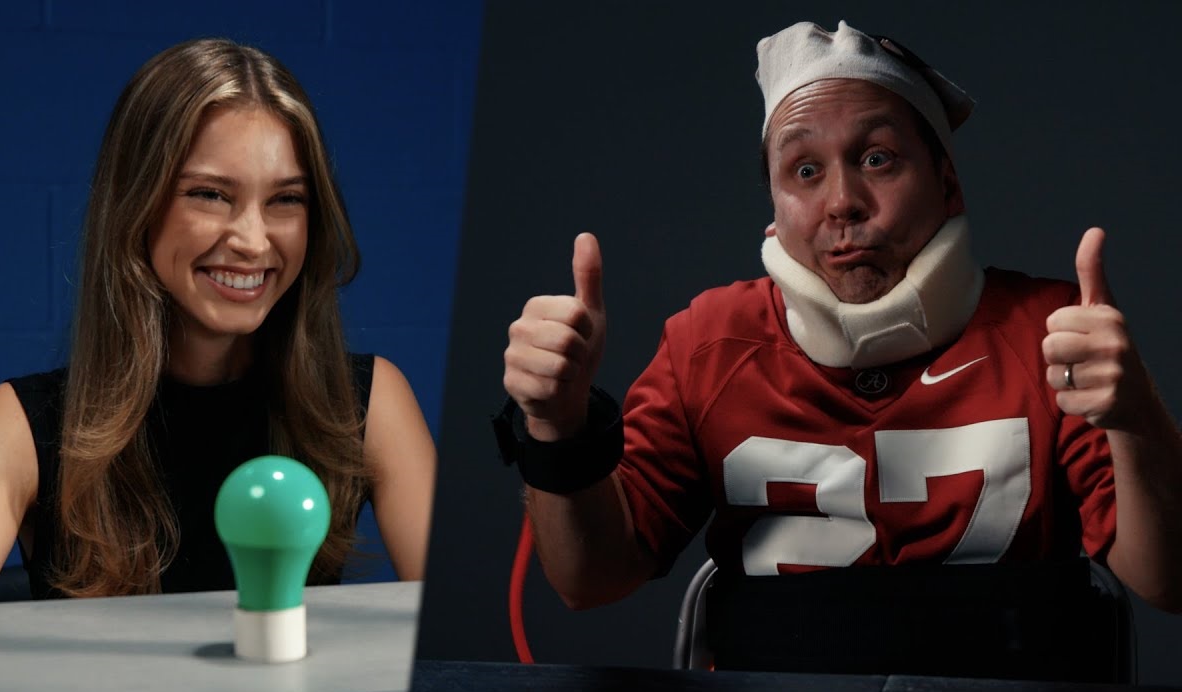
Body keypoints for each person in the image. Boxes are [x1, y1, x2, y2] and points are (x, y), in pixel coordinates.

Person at [498, 19, 1182, 624]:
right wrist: (557, 428)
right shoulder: (707, 342)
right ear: (773, 205)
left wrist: (1136, 415)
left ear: (947, 184)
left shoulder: (1052, 332)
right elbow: (590, 579)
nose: (843, 203)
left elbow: (1168, 582)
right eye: (803, 170)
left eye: (877, 159)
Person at [0, 39, 435, 606]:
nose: (254, 241)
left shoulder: (369, 403)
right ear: (138, 206)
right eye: (209, 195)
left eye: (286, 200)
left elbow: (466, 644)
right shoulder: (18, 426)